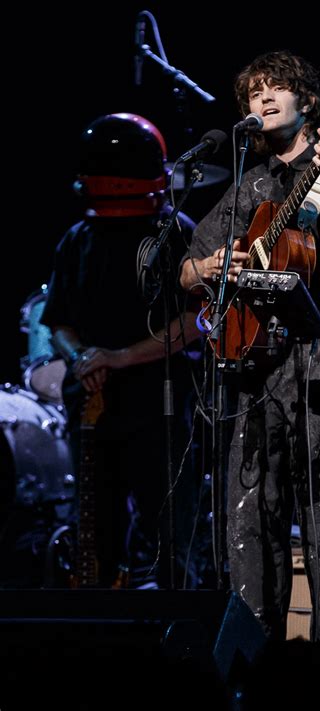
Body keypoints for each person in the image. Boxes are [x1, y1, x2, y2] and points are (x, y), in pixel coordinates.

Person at [180, 51, 320, 641]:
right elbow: (185, 272)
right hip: (257, 364)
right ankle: (252, 661)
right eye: (253, 93)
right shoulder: (249, 183)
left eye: (275, 88)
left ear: (306, 101)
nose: (262, 100)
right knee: (249, 513)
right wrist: (210, 264)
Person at [41, 112, 202, 588]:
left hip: (160, 406)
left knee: (170, 536)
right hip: (91, 404)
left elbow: (196, 321)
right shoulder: (78, 238)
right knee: (97, 534)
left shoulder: (176, 230)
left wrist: (117, 358)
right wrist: (81, 358)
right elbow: (59, 322)